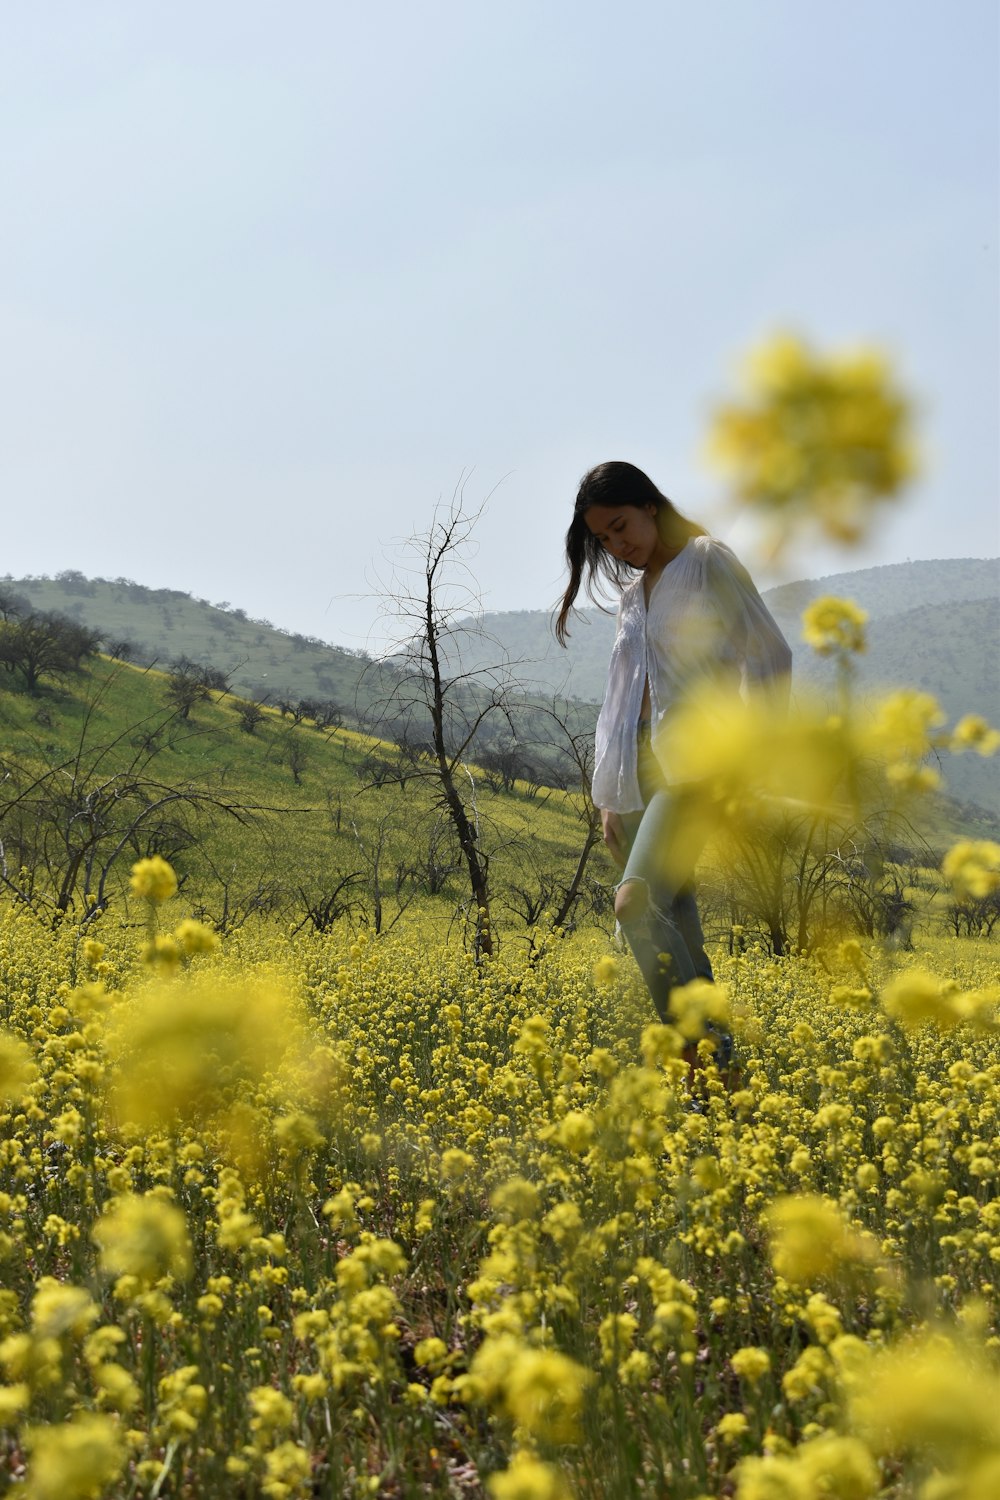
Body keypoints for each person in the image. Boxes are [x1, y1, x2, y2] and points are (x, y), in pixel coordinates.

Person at [555, 461, 792, 1061]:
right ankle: (721, 1074)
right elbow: (621, 698)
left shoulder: (707, 561)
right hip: (637, 775)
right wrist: (608, 795)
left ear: (650, 506)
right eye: (604, 539)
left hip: (696, 769)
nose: (618, 544)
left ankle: (697, 1055)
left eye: (621, 525)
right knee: (678, 926)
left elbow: (771, 656)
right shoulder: (631, 598)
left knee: (634, 903)